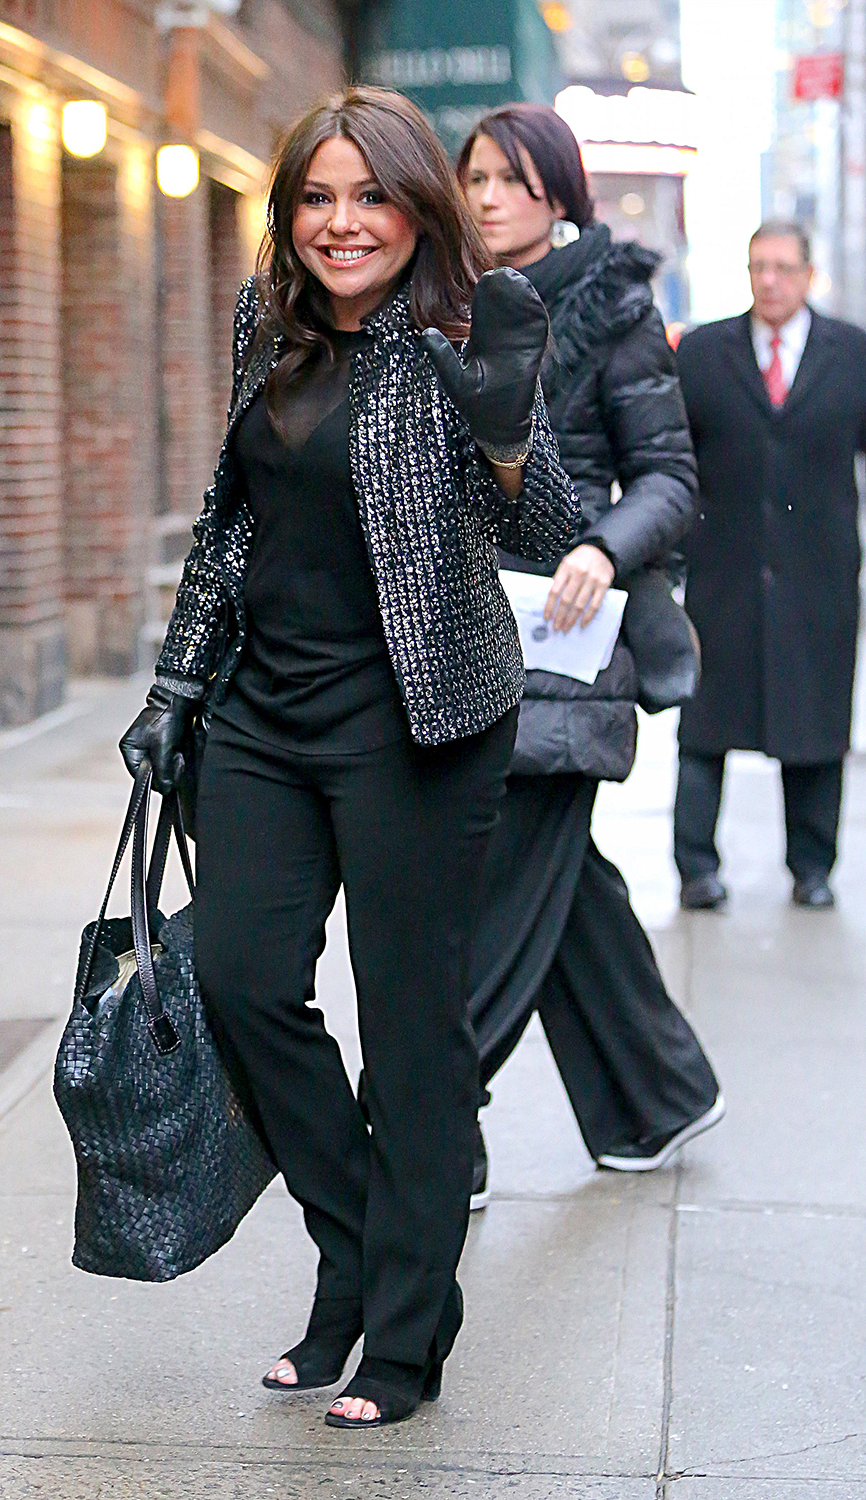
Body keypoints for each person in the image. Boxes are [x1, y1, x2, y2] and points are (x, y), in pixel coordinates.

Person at [119, 88, 579, 1428]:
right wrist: (173, 685)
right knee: (247, 982)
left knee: (410, 1032)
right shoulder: (271, 321)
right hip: (265, 717)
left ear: (414, 205)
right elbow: (230, 523)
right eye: (317, 198)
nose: (341, 223)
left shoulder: (459, 330)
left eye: (368, 196)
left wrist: (500, 428)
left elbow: (549, 524)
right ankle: (362, 1251)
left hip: (422, 724)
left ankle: (398, 1333)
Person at [456, 103, 723, 1193]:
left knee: (494, 877)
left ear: (556, 192)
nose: (484, 197)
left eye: (508, 180)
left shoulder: (613, 308)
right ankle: (656, 1099)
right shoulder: (436, 299)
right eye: (472, 177)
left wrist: (604, 550)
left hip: (564, 640)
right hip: (451, 636)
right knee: (558, 884)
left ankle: (423, 1123)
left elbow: (670, 478)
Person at [675, 221, 866, 911]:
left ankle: (812, 867)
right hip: (722, 572)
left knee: (815, 724)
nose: (770, 280)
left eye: (783, 267)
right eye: (758, 266)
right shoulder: (702, 354)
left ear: (809, 275)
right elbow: (670, 461)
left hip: (819, 576)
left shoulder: (852, 353)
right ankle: (696, 865)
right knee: (703, 722)